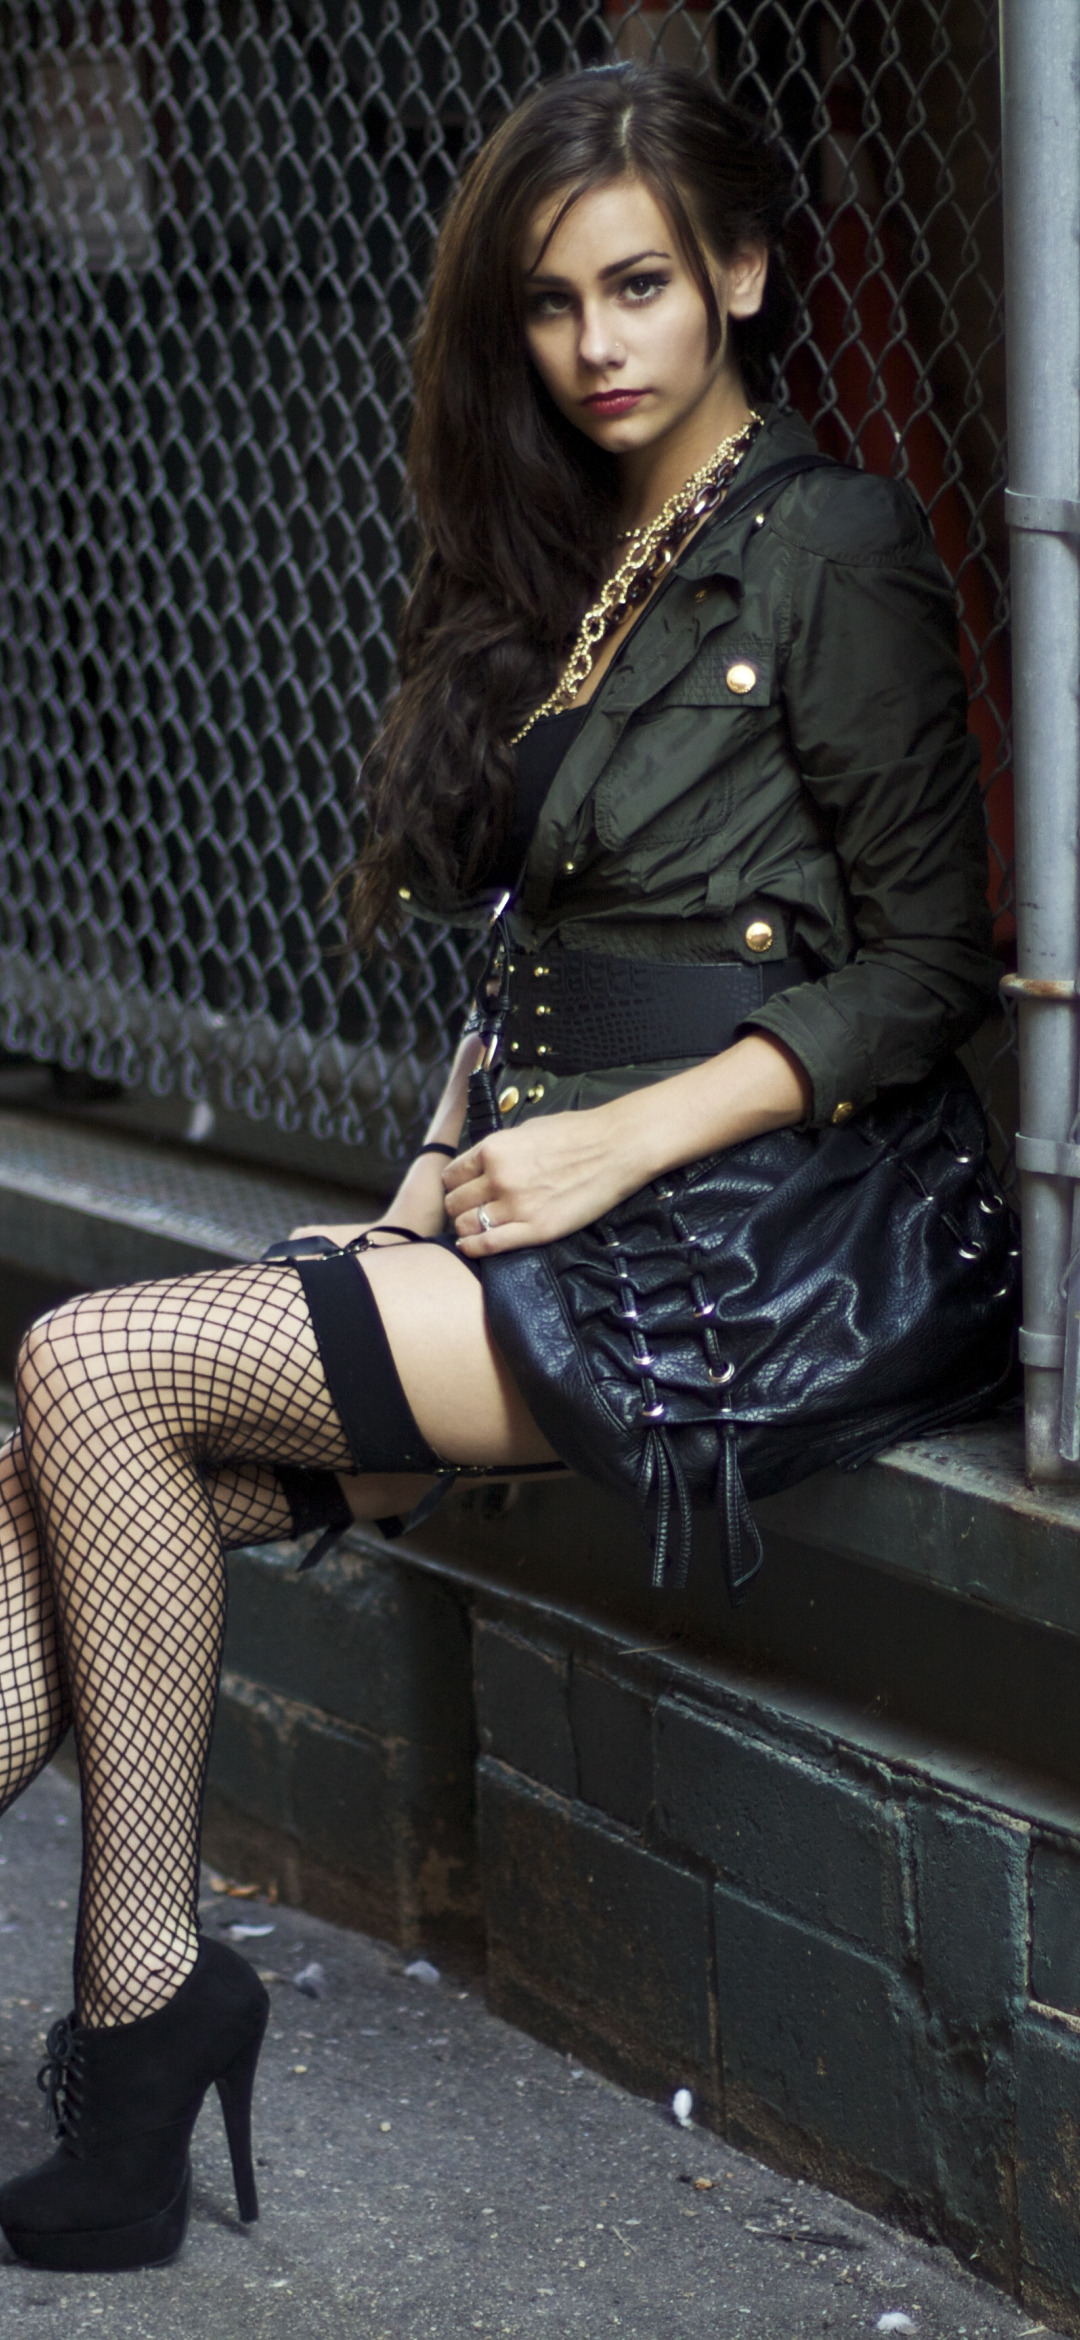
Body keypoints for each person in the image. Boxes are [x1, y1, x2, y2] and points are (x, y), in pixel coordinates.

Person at [0, 59, 1012, 2273]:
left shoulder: (831, 543)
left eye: (640, 285)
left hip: (739, 1241)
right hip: (552, 1214)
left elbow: (935, 964)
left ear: (741, 272)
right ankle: (143, 2039)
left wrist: (613, 1144)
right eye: (553, 303)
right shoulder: (580, 557)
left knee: (91, 1371)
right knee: (64, 1489)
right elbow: (532, 959)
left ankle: (144, 2010)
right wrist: (423, 1180)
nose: (597, 343)